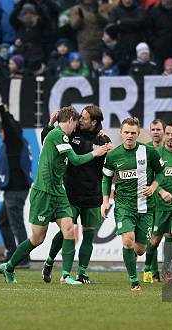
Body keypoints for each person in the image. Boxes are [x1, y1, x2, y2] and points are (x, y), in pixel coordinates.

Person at [0, 106, 110, 285]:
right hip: (43, 193)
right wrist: (95, 152)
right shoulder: (57, 135)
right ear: (72, 120)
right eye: (78, 120)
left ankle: (66, 276)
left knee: (68, 229)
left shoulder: (64, 135)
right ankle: (9, 266)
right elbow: (75, 160)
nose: (79, 124)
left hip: (59, 192)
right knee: (37, 239)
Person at [40, 105, 111, 284]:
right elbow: (47, 140)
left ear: (94, 122)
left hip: (92, 195)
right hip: (70, 193)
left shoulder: (103, 140)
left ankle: (81, 273)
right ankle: (49, 262)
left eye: (84, 118)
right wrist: (49, 125)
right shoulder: (71, 133)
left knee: (88, 235)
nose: (80, 119)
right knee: (66, 231)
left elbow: (109, 169)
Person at [101, 117, 166, 291]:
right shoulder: (113, 155)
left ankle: (135, 263)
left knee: (140, 250)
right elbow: (106, 179)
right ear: (121, 133)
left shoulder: (149, 152)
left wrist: (153, 186)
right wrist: (105, 200)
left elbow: (161, 173)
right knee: (128, 241)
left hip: (146, 207)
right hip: (124, 206)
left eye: (133, 133)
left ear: (138, 134)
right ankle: (133, 280)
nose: (129, 135)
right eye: (126, 132)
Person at [143, 122, 172, 284]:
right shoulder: (156, 155)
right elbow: (149, 180)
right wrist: (161, 192)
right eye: (168, 134)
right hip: (159, 206)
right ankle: (148, 269)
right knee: (155, 240)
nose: (170, 137)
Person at [0, 103, 32, 268]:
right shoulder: (17, 143)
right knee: (3, 221)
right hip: (13, 189)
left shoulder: (14, 143)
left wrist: (3, 112)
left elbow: (11, 128)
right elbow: (13, 127)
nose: (2, 133)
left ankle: (23, 258)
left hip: (16, 190)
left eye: (3, 130)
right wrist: (9, 114)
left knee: (17, 224)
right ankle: (12, 252)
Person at [143, 118, 172, 281]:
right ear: (149, 131)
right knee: (152, 236)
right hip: (150, 200)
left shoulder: (171, 149)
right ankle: (152, 272)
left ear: (164, 131)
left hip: (169, 201)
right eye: (153, 129)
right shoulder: (144, 149)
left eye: (158, 130)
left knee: (169, 235)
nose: (155, 132)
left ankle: (166, 270)